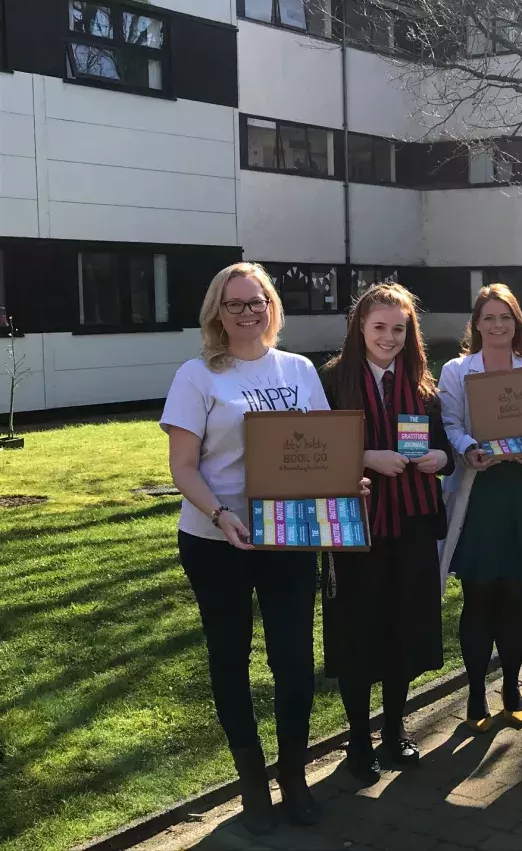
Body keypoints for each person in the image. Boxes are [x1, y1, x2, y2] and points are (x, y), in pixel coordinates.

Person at [161, 262, 327, 832]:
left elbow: (321, 451)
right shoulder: (197, 375)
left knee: (294, 663)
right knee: (230, 660)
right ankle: (252, 779)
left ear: (271, 306)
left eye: (257, 301)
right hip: (215, 539)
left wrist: (340, 487)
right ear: (217, 313)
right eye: (235, 304)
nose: (249, 312)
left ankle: (294, 774)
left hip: (289, 535)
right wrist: (221, 513)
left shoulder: (300, 369)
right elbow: (183, 467)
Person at [318, 283, 455, 785]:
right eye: (379, 327)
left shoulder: (421, 382)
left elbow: (445, 449)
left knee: (403, 629)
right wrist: (366, 458)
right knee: (358, 634)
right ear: (360, 327)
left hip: (413, 526)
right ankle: (357, 739)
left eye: (399, 329)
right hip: (356, 529)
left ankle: (395, 729)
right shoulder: (332, 381)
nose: (389, 337)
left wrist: (441, 458)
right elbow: (313, 451)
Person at [437, 284, 522, 732]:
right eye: (489, 318)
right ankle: (475, 693)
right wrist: (470, 448)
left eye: (506, 318)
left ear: (517, 324)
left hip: (520, 494)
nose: (497, 326)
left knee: (514, 595)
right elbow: (450, 422)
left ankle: (512, 685)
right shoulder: (457, 370)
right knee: (477, 597)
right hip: (478, 495)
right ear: (476, 323)